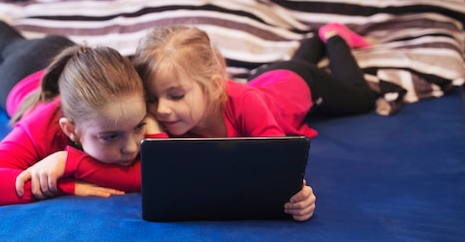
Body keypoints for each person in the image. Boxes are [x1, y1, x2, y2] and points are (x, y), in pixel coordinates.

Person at [0, 10, 165, 207]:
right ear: (70, 130)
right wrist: (64, 187)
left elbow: (163, 172)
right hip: (19, 74)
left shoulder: (134, 102)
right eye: (110, 137)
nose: (130, 148)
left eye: (139, 127)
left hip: (63, 51)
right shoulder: (40, 129)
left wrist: (70, 162)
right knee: (8, 45)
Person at [132, 24, 376, 140]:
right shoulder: (165, 117)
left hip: (298, 82)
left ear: (214, 87)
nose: (161, 109)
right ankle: (313, 41)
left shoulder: (245, 104)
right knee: (297, 64)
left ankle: (333, 37)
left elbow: (275, 156)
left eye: (175, 95)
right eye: (152, 98)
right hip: (264, 79)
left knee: (362, 99)